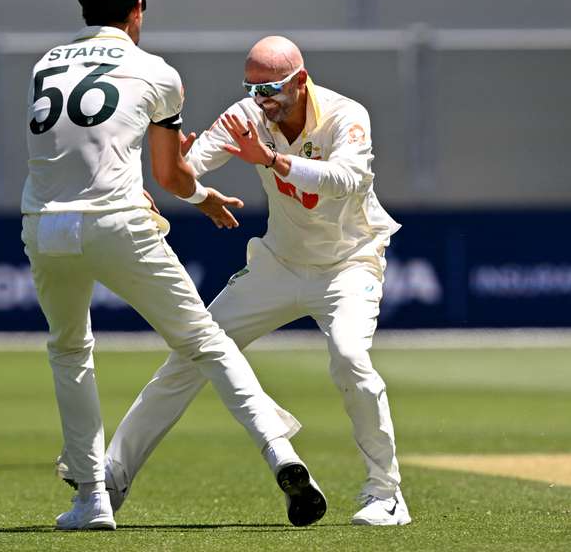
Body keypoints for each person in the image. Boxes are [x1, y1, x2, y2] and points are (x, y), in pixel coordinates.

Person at [20, 0, 326, 531]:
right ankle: (281, 454)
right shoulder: (157, 72)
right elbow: (171, 176)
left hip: (44, 225)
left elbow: (75, 154)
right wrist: (204, 195)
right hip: (116, 223)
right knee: (206, 343)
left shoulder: (45, 64)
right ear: (137, 9)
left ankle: (92, 499)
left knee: (69, 350)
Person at [104, 35, 411, 526]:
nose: (261, 100)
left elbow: (346, 179)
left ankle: (386, 493)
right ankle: (111, 478)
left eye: (271, 89)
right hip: (277, 264)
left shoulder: (346, 114)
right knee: (192, 350)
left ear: (301, 81)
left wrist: (271, 160)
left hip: (349, 263)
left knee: (351, 358)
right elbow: (191, 168)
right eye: (253, 88)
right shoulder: (247, 114)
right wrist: (179, 165)